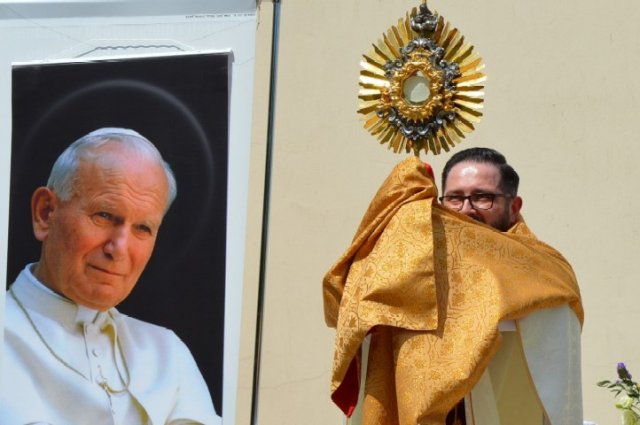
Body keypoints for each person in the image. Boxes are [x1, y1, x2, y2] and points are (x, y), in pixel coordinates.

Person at [323, 148, 583, 425]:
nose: (467, 209)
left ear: (514, 207)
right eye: (455, 198)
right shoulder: (414, 266)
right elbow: (351, 305)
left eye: (482, 197)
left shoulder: (547, 270)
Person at [1, 128, 221, 425]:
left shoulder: (168, 353)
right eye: (103, 215)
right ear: (45, 213)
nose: (119, 249)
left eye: (142, 228)